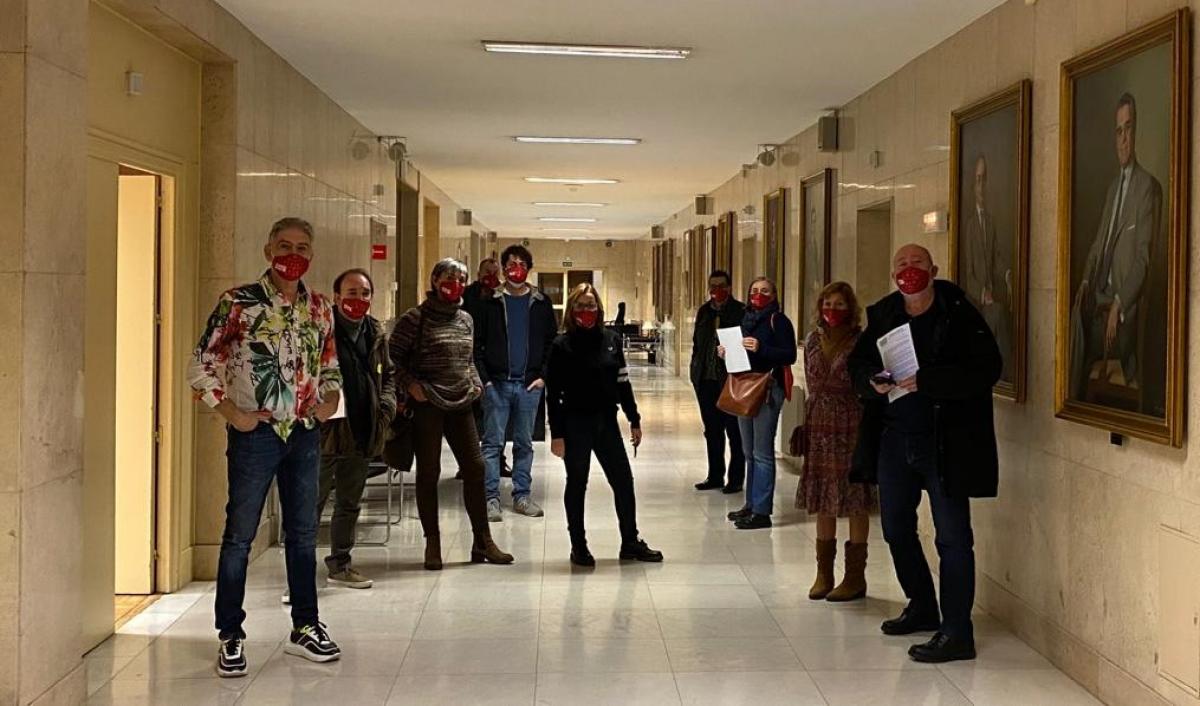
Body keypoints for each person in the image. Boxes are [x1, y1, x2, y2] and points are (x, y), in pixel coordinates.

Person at [188, 217, 342, 677]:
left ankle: (305, 626)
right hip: (255, 435)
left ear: (311, 254)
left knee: (303, 533)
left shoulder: (320, 307)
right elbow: (200, 366)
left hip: (304, 434)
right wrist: (232, 413)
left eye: (301, 247)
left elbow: (329, 364)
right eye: (284, 245)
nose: (292, 254)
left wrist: (330, 400)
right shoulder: (238, 303)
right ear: (267, 250)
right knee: (240, 536)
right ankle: (230, 634)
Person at [848, 243, 1001, 664]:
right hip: (895, 439)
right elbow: (857, 365)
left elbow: (988, 368)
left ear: (933, 270)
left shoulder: (958, 314)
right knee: (895, 528)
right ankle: (922, 605)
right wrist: (871, 380)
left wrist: (930, 380)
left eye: (917, 262)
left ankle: (957, 632)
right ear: (892, 274)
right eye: (901, 263)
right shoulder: (884, 315)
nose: (909, 269)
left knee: (953, 537)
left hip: (945, 442)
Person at [390, 258, 514, 571]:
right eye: (448, 277)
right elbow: (391, 361)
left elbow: (467, 358)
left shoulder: (465, 319)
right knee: (429, 472)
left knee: (475, 467)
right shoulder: (414, 319)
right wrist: (411, 385)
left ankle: (482, 540)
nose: (455, 284)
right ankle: (432, 541)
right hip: (427, 404)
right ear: (434, 280)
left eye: (461, 278)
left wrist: (475, 381)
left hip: (461, 403)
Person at [547, 284, 662, 566]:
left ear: (598, 309)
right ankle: (579, 546)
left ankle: (630, 541)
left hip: (606, 422)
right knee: (577, 483)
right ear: (572, 310)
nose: (586, 311)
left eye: (590, 305)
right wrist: (557, 434)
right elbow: (553, 394)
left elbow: (623, 383)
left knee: (623, 481)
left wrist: (634, 419)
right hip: (575, 423)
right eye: (580, 306)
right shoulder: (561, 345)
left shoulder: (611, 340)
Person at [1070, 92, 1162, 401]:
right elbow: (1098, 243)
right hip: (1098, 300)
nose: (1123, 139)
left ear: (1136, 132)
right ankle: (1072, 399)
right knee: (1074, 315)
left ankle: (1072, 401)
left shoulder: (1146, 188)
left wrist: (1119, 303)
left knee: (1078, 331)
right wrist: (1085, 280)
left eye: (1128, 128)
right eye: (1118, 131)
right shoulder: (1112, 189)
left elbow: (1143, 260)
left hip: (1121, 315)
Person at [315, 268, 396, 590]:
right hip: (325, 432)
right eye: (351, 293)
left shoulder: (375, 333)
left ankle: (341, 564)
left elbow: (388, 375)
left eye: (364, 293)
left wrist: (386, 408)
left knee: (349, 503)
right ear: (336, 297)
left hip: (363, 428)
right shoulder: (321, 330)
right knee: (310, 505)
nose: (359, 299)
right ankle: (298, 577)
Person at [798, 281, 874, 602]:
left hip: (851, 423)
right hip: (819, 424)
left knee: (855, 497)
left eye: (840, 304)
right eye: (828, 304)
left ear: (851, 308)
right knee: (823, 497)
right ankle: (823, 573)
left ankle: (855, 577)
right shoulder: (813, 340)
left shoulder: (861, 341)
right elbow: (810, 379)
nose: (833, 310)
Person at [474, 244, 558, 521]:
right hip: (497, 385)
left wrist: (543, 376)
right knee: (492, 444)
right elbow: (477, 345)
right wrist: (486, 382)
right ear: (503, 268)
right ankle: (490, 499)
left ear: (529, 268)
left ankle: (522, 496)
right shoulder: (490, 302)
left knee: (524, 444)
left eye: (522, 264)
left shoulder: (541, 303)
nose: (516, 269)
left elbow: (551, 343)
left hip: (528, 385)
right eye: (511, 264)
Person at [721, 276, 797, 530]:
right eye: (754, 290)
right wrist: (726, 352)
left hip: (768, 389)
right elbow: (741, 355)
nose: (759, 295)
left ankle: (762, 511)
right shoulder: (746, 319)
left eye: (765, 291)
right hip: (745, 386)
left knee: (763, 452)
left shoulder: (778, 320)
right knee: (749, 451)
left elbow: (789, 355)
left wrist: (761, 347)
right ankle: (751, 504)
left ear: (774, 295)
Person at [689, 270, 747, 493]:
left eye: (721, 286)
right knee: (712, 430)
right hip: (706, 380)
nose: (717, 290)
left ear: (730, 288)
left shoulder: (740, 311)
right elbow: (697, 343)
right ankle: (715, 475)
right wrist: (695, 370)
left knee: (734, 431)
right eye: (713, 286)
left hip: (730, 380)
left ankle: (736, 479)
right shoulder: (704, 312)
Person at [961, 154, 1011, 376]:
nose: (981, 186)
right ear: (972, 185)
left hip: (992, 295)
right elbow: (968, 272)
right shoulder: (969, 224)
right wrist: (983, 294)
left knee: (1001, 316)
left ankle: (1004, 371)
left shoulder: (991, 221)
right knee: (997, 315)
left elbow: (996, 257)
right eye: (978, 180)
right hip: (977, 301)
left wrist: (1008, 274)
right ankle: (1002, 371)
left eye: (984, 179)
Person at [460, 257, 510, 480]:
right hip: (468, 361)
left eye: (494, 272)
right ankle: (468, 463)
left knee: (497, 415)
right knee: (470, 417)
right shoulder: (467, 295)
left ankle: (498, 460)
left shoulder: (503, 295)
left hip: (494, 361)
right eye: (487, 271)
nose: (491, 275)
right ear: (479, 273)